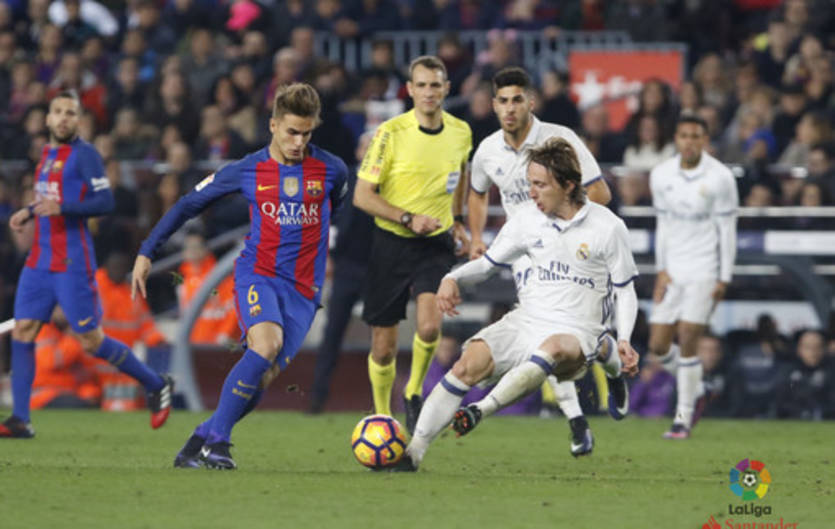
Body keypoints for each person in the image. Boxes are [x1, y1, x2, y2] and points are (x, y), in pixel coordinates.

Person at [131, 83, 348, 469]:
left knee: (262, 376)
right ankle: (219, 444)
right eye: (291, 132)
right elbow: (188, 205)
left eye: (307, 133)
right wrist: (148, 251)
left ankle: (200, 438)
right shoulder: (247, 170)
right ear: (273, 125)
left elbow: (336, 207)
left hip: (304, 291)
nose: (299, 142)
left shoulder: (333, 170)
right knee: (264, 346)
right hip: (259, 274)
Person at [393, 138, 639, 471]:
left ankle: (480, 410)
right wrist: (452, 278)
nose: (531, 193)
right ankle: (413, 453)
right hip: (527, 319)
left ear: (568, 185)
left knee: (554, 348)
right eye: (529, 183)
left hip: (579, 330)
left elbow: (625, 290)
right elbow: (487, 264)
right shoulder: (526, 220)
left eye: (540, 185)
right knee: (466, 366)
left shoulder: (608, 227)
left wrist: (625, 338)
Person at [2, 90, 173, 439]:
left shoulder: (86, 155)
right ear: (48, 119)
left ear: (78, 120)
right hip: (40, 260)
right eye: (58, 112)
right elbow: (50, 199)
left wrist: (62, 209)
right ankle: (20, 418)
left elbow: (105, 201)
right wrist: (29, 211)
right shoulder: (46, 155)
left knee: (91, 340)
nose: (64, 118)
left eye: (71, 113)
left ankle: (155, 383)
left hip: (71, 261)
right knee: (24, 331)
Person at [467, 66, 615, 457]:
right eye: (503, 100)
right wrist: (478, 237)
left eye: (517, 99)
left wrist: (561, 217)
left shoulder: (559, 139)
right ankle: (577, 422)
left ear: (530, 102)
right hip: (528, 258)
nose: (510, 108)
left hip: (573, 252)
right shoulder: (488, 151)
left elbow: (600, 193)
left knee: (576, 338)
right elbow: (477, 193)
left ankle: (609, 360)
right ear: (494, 105)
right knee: (545, 338)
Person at [353, 55, 471, 434]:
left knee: (430, 326)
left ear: (446, 89)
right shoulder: (389, 133)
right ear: (410, 89)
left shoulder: (461, 132)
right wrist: (407, 218)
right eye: (421, 85)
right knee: (383, 348)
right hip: (391, 241)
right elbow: (362, 195)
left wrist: (458, 218)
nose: (428, 92)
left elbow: (462, 173)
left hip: (435, 243)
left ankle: (415, 391)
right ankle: (382, 415)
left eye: (435, 85)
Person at [647, 115, 738, 439]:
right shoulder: (661, 175)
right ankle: (697, 386)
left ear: (705, 140)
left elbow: (727, 230)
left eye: (695, 136)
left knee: (687, 336)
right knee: (658, 345)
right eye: (684, 135)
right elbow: (663, 225)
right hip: (673, 270)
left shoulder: (721, 177)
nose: (689, 141)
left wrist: (724, 277)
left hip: (705, 268)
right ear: (676, 138)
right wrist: (661, 269)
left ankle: (682, 419)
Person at [177, 230, 239, 345]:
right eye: (188, 247)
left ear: (205, 249)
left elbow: (234, 309)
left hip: (219, 346)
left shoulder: (219, 277)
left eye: (196, 247)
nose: (192, 251)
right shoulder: (183, 283)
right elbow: (184, 317)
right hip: (194, 345)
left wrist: (224, 335)